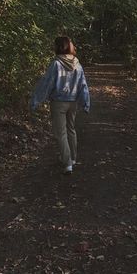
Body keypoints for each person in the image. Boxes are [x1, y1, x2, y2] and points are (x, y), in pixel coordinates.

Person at [30, 36, 90, 174]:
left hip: (59, 103)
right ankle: (73, 158)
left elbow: (47, 83)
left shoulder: (56, 64)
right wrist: (85, 103)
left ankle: (67, 163)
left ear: (58, 47)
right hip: (73, 102)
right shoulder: (78, 64)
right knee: (71, 129)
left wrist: (35, 100)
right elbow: (83, 85)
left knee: (61, 133)